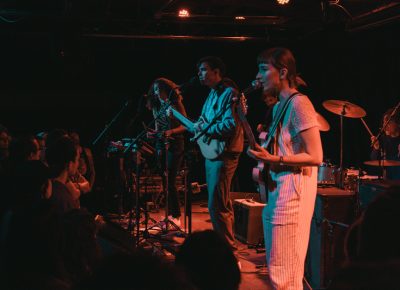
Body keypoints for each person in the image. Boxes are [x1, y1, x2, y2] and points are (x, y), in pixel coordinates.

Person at [247, 47, 323, 290]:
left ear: (282, 72)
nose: (258, 76)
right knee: (279, 272)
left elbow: (315, 155)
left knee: (285, 277)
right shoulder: (280, 105)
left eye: (262, 69)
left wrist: (274, 159)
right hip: (277, 194)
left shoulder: (299, 103)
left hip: (291, 197)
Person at [193, 56, 243, 250]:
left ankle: (227, 252)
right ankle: (225, 247)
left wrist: (207, 129)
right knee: (219, 202)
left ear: (216, 72)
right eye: (199, 70)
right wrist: (199, 125)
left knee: (217, 203)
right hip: (213, 153)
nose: (200, 74)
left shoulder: (229, 93)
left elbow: (230, 125)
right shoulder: (212, 94)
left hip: (225, 152)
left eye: (204, 69)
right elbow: (205, 118)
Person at [146, 77, 187, 226]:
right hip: (160, 145)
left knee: (170, 181)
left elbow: (186, 125)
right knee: (165, 181)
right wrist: (153, 134)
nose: (157, 93)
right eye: (155, 90)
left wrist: (171, 131)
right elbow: (158, 128)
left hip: (175, 144)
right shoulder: (157, 107)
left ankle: (176, 216)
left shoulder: (175, 104)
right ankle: (169, 215)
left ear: (167, 90)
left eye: (159, 90)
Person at [370, 107, 400, 180]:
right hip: (387, 182)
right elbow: (374, 161)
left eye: (388, 122)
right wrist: (376, 148)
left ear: (398, 124)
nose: (385, 125)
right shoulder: (383, 139)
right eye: (384, 122)